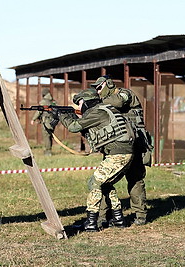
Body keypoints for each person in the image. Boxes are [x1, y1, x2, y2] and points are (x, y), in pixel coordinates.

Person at [57, 88, 135, 232]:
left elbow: (74, 126)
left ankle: (91, 222)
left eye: (80, 103)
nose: (79, 107)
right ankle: (118, 219)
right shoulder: (104, 109)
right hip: (123, 153)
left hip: (117, 155)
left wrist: (61, 115)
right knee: (105, 184)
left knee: (94, 182)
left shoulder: (97, 112)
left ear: (87, 102)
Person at [91, 75, 152, 226]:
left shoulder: (125, 94)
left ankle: (140, 216)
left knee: (135, 180)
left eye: (99, 88)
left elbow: (118, 102)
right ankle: (103, 217)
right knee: (104, 180)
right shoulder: (106, 105)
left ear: (109, 84)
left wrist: (96, 104)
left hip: (136, 145)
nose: (98, 92)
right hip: (117, 146)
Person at [30, 88, 58, 156]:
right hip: (53, 122)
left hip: (46, 122)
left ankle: (48, 152)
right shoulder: (53, 102)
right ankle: (49, 150)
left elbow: (39, 111)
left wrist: (33, 119)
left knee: (46, 137)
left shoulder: (43, 102)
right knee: (50, 136)